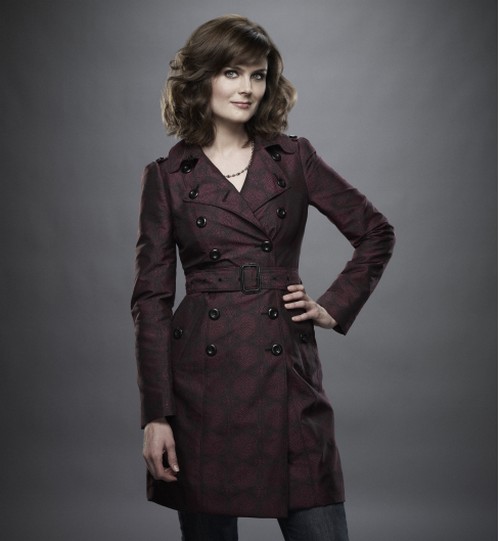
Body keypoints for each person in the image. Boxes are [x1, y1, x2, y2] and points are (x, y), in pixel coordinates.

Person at [131, 14, 395, 541]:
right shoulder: (167, 177)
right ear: (202, 77)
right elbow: (152, 302)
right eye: (232, 72)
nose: (247, 88)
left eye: (258, 74)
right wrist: (156, 415)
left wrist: (334, 304)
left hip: (286, 373)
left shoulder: (294, 158)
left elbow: (375, 232)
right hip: (200, 387)